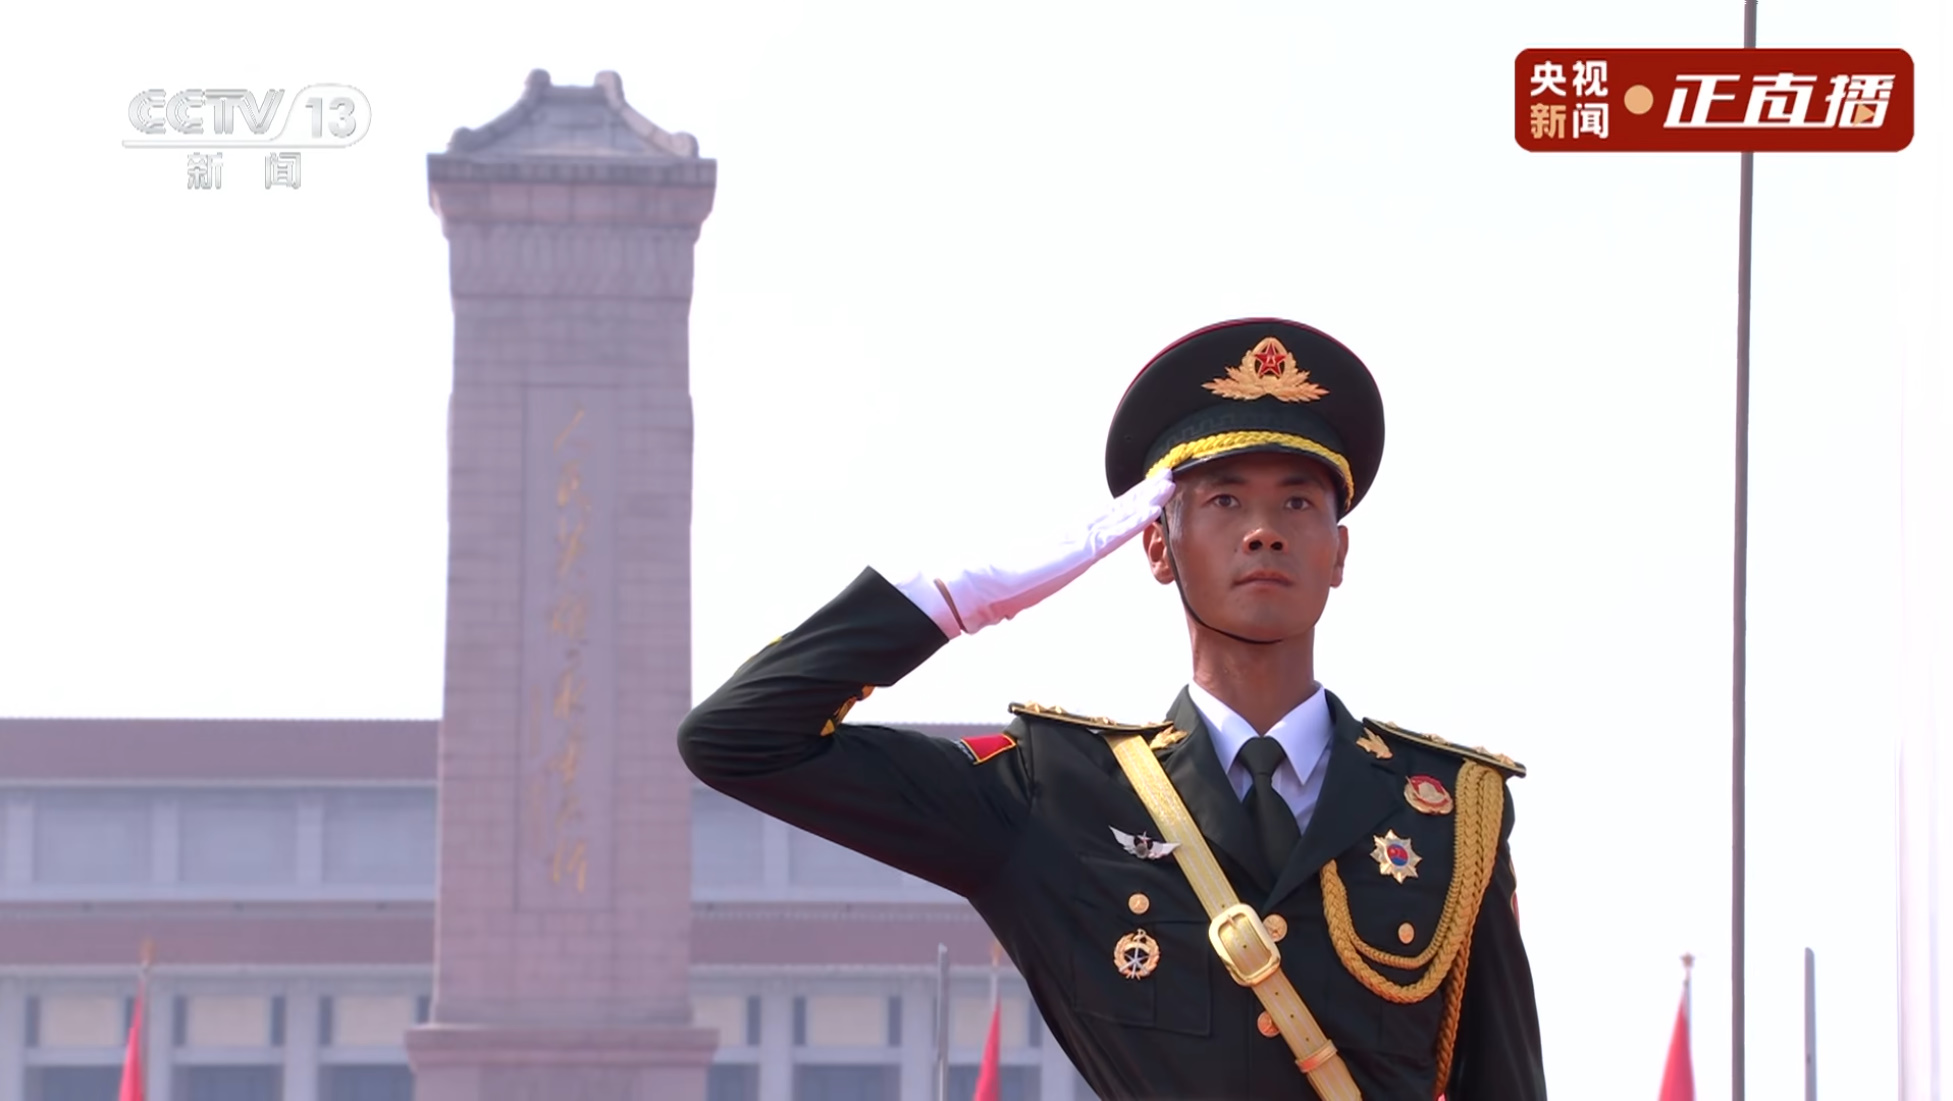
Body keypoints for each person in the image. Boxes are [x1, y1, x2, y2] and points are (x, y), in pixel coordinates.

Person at [678, 318, 1547, 1100]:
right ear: (1156, 547)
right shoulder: (1056, 793)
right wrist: (957, 598)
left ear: (1339, 551)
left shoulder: (1450, 809)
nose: (1263, 530)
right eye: (1223, 500)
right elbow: (737, 740)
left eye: (1297, 501)